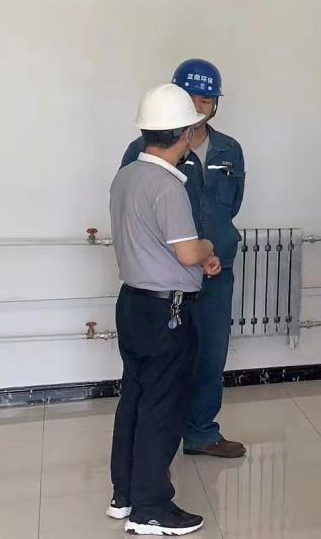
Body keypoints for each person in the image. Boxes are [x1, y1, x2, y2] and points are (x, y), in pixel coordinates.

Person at [108, 84, 222, 536]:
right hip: (166, 313)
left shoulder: (126, 176)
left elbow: (154, 243)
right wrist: (207, 248)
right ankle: (151, 507)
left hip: (133, 304)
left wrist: (194, 255)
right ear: (186, 134)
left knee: (135, 400)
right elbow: (188, 252)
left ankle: (125, 495)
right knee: (162, 408)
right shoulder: (168, 185)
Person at [121, 59, 247, 459]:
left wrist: (211, 247)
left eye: (206, 99)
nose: (198, 105)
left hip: (215, 271)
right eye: (191, 98)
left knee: (210, 356)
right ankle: (158, 442)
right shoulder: (146, 151)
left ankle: (201, 433)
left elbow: (232, 206)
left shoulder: (229, 150)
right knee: (165, 363)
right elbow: (137, 211)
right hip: (167, 279)